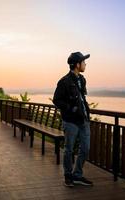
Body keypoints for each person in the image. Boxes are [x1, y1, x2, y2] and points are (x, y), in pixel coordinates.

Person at [53, 52, 93, 187]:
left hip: (84, 120)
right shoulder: (64, 81)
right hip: (71, 121)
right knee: (69, 149)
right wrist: (71, 109)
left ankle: (78, 175)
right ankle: (68, 176)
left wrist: (85, 112)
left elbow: (82, 98)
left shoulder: (82, 80)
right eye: (83, 62)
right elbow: (57, 100)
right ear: (77, 64)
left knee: (86, 149)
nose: (85, 64)